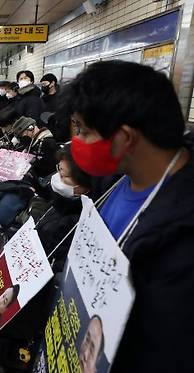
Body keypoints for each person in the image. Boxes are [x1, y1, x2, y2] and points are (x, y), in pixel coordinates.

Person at [62, 60, 194, 372]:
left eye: (83, 131)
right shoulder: (120, 175)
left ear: (124, 138)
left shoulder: (182, 239)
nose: (76, 141)